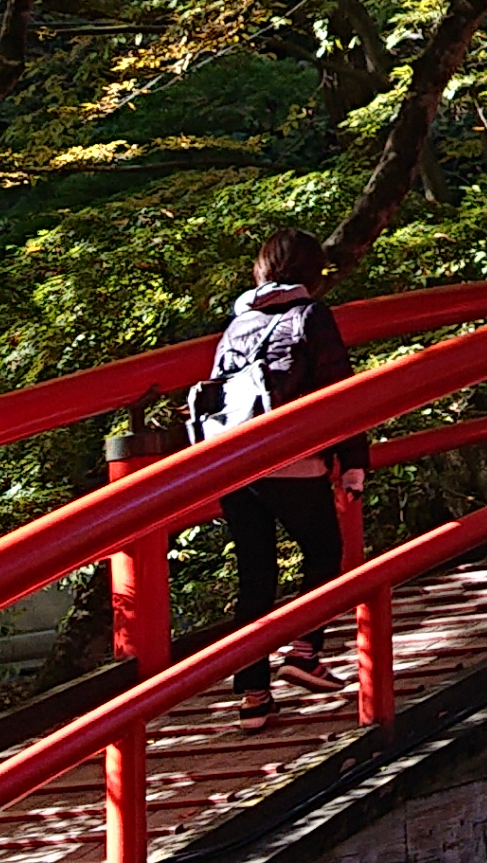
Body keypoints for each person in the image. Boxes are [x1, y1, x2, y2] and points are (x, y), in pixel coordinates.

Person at [193, 232, 367, 713]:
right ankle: (305, 651)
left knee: (255, 575)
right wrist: (352, 463)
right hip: (290, 458)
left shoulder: (238, 323)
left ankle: (253, 694)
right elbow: (339, 394)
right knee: (324, 550)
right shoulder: (310, 315)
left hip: (235, 464)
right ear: (312, 272)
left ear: (262, 270)